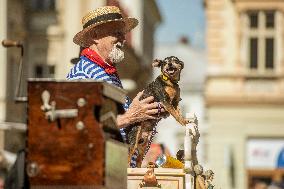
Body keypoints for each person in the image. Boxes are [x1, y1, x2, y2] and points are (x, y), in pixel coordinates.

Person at [67, 6, 164, 167]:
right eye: (116, 33)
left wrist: (143, 125)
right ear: (95, 35)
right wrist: (130, 117)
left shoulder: (107, 72)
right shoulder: (83, 73)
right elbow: (82, 127)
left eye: (123, 33)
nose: (123, 39)